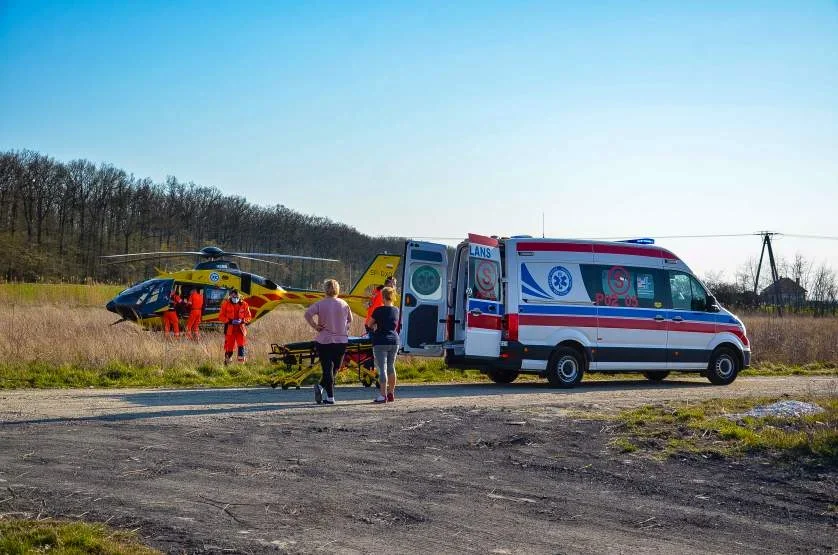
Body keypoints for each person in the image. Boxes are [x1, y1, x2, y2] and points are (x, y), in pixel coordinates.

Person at [304, 279, 351, 405]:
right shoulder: (344, 303)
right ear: (338, 289)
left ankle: (323, 390)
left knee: (327, 369)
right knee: (335, 369)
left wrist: (315, 326)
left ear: (325, 289)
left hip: (324, 340)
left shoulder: (320, 304)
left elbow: (307, 314)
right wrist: (344, 327)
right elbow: (350, 320)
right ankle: (327, 394)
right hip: (341, 341)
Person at [365, 286, 400, 403]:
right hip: (394, 341)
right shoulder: (396, 310)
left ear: (383, 297)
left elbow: (369, 324)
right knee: (391, 367)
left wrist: (375, 327)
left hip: (380, 341)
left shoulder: (378, 310)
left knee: (382, 369)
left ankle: (382, 395)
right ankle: (391, 394)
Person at [218, 289, 252, 364]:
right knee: (229, 347)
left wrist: (242, 321)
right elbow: (221, 317)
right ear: (230, 295)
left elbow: (249, 317)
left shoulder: (244, 304)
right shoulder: (225, 304)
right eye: (233, 295)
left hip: (241, 329)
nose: (234, 297)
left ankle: (241, 365)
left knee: (241, 346)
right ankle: (227, 364)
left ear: (239, 296)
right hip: (229, 329)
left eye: (236, 295)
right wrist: (230, 321)